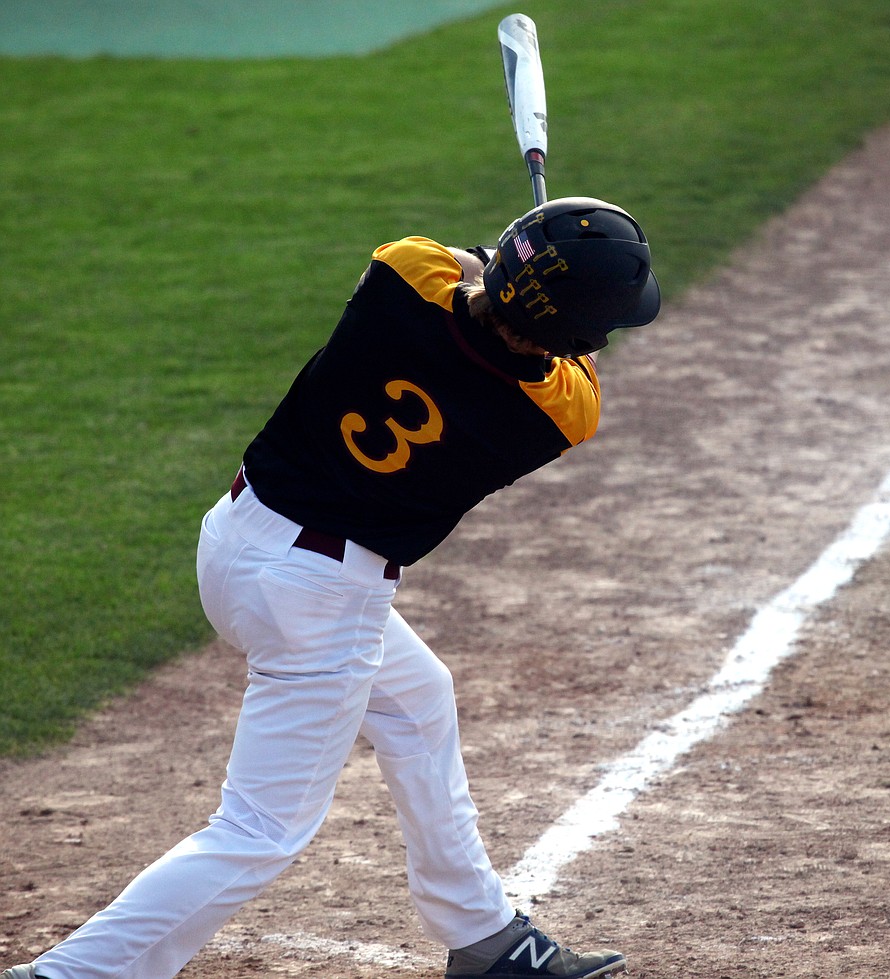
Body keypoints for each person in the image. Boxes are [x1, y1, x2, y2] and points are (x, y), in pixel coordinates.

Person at [5, 197, 660, 979]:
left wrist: (527, 257)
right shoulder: (555, 411)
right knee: (259, 830)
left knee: (419, 698)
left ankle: (485, 936)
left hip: (235, 539)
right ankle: (70, 975)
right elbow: (567, 357)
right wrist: (546, 288)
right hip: (321, 599)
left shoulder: (402, 272)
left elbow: (466, 265)